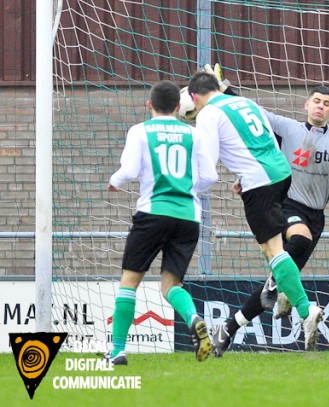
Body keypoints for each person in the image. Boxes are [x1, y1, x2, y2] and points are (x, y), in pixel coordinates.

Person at [201, 66, 329, 356]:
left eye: (326, 104)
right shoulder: (286, 127)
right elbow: (251, 112)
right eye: (316, 101)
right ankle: (281, 289)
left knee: (274, 290)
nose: (320, 107)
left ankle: (228, 328)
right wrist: (221, 88)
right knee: (299, 240)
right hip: (287, 204)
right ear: (306, 105)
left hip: (317, 215)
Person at [187, 71, 325, 352]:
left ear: (194, 98)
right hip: (280, 173)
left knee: (274, 251)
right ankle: (287, 292)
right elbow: (267, 140)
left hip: (259, 181)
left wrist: (192, 188)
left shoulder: (208, 114)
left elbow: (208, 163)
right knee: (272, 252)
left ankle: (304, 309)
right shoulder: (246, 103)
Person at [106, 80, 218, 365]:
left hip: (152, 214)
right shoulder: (194, 135)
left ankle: (118, 350)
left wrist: (114, 181)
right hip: (188, 217)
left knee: (130, 283)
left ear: (149, 105)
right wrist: (189, 190)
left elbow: (129, 169)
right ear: (179, 107)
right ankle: (194, 318)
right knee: (171, 285)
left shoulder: (140, 130)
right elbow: (210, 177)